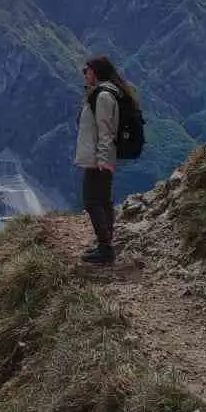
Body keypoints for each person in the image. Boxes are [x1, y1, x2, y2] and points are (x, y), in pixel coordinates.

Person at [75, 54, 133, 265]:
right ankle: (105, 245)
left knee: (92, 201)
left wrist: (103, 159)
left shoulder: (103, 96)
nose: (84, 74)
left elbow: (105, 130)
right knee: (103, 201)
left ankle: (105, 249)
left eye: (87, 70)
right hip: (101, 157)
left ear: (95, 72)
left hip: (98, 159)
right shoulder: (105, 93)